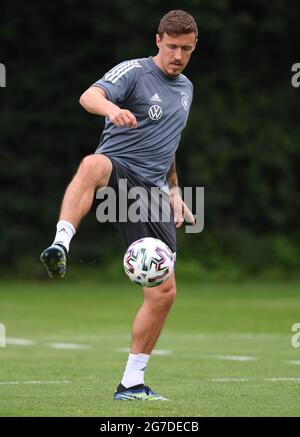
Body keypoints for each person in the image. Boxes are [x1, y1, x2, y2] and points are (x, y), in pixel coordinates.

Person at [40, 9, 197, 401]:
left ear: (194, 48)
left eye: (187, 49)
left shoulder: (187, 89)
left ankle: (131, 383)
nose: (178, 55)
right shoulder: (135, 71)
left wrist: (175, 192)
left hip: (153, 193)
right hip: (120, 171)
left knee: (164, 293)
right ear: (158, 40)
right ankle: (61, 243)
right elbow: (89, 95)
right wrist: (111, 109)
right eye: (172, 46)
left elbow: (170, 144)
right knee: (93, 163)